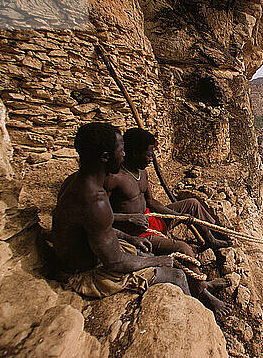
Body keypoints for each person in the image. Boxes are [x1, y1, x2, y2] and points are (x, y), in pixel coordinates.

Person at [51, 122, 189, 299]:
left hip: (96, 253)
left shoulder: (75, 181)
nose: (124, 155)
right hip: (86, 272)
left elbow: (96, 227)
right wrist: (158, 260)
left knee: (147, 252)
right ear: (105, 157)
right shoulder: (94, 200)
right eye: (121, 150)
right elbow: (114, 262)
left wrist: (129, 238)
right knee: (177, 275)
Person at [105, 128, 231, 315]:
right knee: (183, 249)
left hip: (151, 219)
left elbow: (151, 201)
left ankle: (210, 238)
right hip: (139, 233)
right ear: (134, 153)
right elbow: (102, 217)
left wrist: (178, 216)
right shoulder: (114, 178)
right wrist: (129, 219)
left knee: (192, 204)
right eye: (148, 154)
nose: (152, 158)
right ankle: (203, 292)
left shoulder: (141, 172)